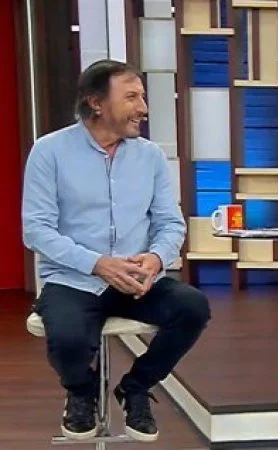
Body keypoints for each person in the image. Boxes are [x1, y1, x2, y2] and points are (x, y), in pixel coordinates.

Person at [22, 59, 211, 442]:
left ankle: (136, 388)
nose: (143, 108)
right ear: (96, 103)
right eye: (131, 97)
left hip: (138, 280)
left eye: (142, 96)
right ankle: (82, 392)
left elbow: (170, 224)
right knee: (69, 341)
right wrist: (98, 264)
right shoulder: (49, 151)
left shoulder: (150, 156)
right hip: (74, 279)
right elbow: (36, 230)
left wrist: (155, 259)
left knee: (192, 307)